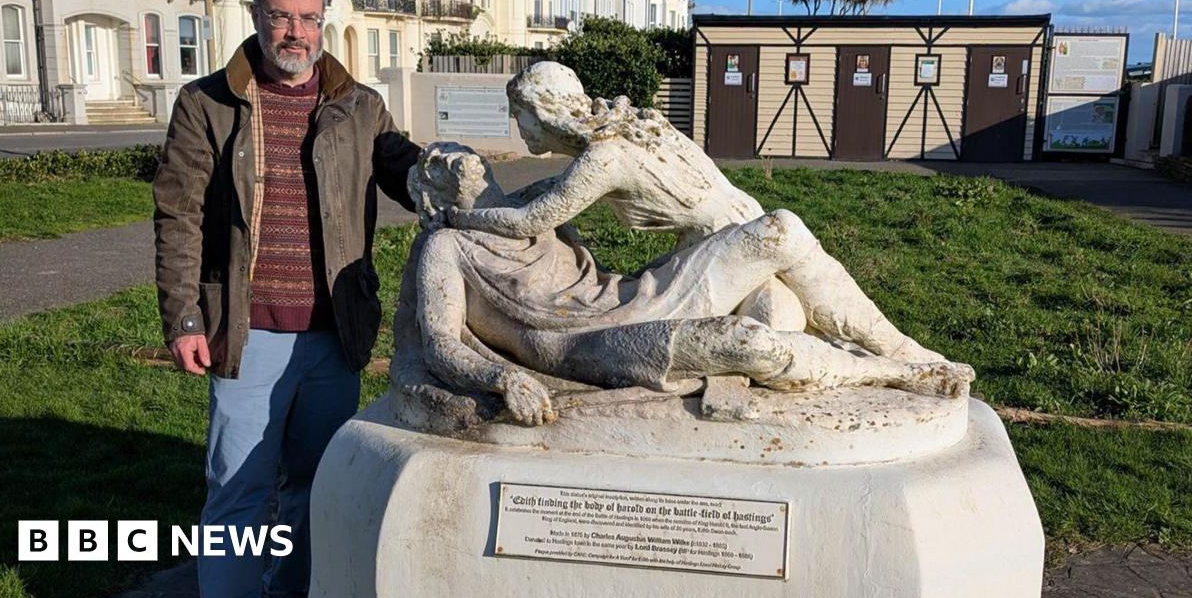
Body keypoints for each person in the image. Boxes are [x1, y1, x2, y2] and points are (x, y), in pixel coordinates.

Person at [151, 0, 420, 598]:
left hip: (333, 336)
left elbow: (405, 168)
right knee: (238, 492)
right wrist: (185, 317)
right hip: (248, 334)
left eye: (308, 16)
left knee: (313, 486)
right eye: (281, 16)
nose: (295, 32)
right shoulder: (205, 104)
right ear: (256, 17)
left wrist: (450, 174)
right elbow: (178, 212)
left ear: (322, 20)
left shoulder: (360, 106)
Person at [399, 143, 973, 427]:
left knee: (780, 230)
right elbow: (440, 345)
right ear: (429, 197)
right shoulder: (445, 247)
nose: (454, 158)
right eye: (435, 162)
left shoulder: (533, 206)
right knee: (746, 343)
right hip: (582, 347)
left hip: (633, 297)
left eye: (456, 152)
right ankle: (899, 375)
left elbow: (615, 164)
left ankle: (902, 349)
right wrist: (503, 378)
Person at [448, 62, 946, 364]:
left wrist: (462, 219)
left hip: (731, 245)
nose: (519, 128)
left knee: (786, 236)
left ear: (545, 112)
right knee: (781, 320)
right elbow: (553, 193)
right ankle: (897, 352)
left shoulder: (605, 158)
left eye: (521, 116)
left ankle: (900, 350)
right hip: (727, 240)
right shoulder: (632, 126)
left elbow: (533, 219)